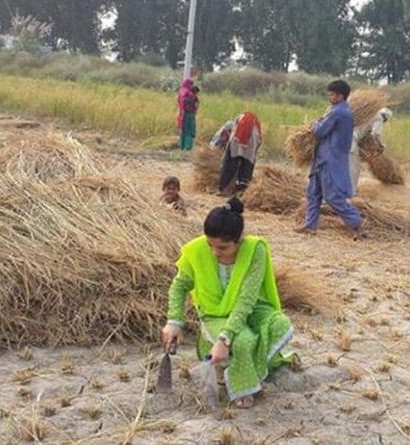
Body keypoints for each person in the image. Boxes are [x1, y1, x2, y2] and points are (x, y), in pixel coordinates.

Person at [161, 198, 296, 409]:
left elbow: (246, 299)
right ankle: (242, 383)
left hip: (250, 309)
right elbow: (179, 286)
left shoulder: (255, 250)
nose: (214, 252)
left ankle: (249, 371)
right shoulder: (196, 251)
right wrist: (174, 320)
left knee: (279, 324)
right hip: (215, 313)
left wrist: (224, 339)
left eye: (222, 247)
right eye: (210, 245)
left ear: (239, 239)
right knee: (243, 341)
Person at [295, 80, 365, 240]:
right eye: (330, 94)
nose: (330, 97)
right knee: (313, 193)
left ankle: (356, 222)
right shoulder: (343, 111)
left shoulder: (338, 112)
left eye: (333, 94)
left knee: (332, 197)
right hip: (323, 157)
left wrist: (314, 124)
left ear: (341, 96)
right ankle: (310, 225)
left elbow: (320, 131)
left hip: (329, 159)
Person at [217, 112, 262, 196]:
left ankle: (223, 188)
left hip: (237, 140)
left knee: (230, 163)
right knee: (247, 165)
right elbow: (259, 140)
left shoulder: (236, 123)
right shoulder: (255, 125)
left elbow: (226, 142)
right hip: (251, 143)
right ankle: (241, 190)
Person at [350, 107, 392, 194]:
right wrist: (381, 144)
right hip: (351, 140)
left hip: (348, 137)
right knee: (355, 167)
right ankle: (351, 191)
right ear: (385, 117)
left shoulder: (370, 115)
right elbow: (375, 134)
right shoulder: (379, 118)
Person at [177, 80, 200, 150]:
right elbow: (194, 104)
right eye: (191, 84)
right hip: (189, 114)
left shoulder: (182, 91)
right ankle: (188, 147)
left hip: (182, 113)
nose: (192, 86)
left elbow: (179, 101)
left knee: (183, 129)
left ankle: (181, 146)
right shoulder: (190, 94)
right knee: (189, 130)